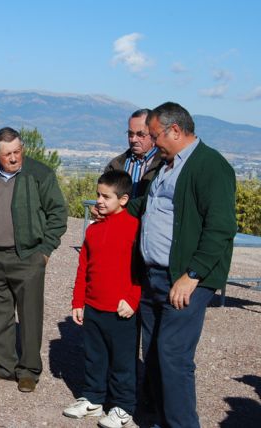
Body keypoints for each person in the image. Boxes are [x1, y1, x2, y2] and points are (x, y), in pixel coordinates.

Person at [128, 102, 237, 427]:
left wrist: (192, 275)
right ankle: (159, 419)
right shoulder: (167, 164)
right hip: (155, 276)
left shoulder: (209, 166)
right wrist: (114, 207)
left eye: (154, 134)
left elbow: (220, 227)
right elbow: (148, 204)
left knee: (173, 356)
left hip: (185, 278)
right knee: (157, 356)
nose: (151, 141)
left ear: (175, 131)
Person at [0, 127, 68, 393]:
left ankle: (28, 371)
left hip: (28, 257)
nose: (14, 158)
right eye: (7, 154)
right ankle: (3, 366)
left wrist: (45, 251)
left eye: (17, 151)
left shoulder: (40, 175)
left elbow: (58, 214)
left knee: (30, 315)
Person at [63, 170, 141, 428]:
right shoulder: (94, 231)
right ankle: (94, 399)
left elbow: (142, 269)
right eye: (98, 194)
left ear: (124, 199)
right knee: (94, 357)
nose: (99, 200)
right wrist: (78, 301)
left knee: (122, 362)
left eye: (106, 196)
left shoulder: (135, 229)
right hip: (94, 306)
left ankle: (122, 407)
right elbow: (83, 267)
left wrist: (132, 299)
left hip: (121, 311)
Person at [106, 109, 164, 197]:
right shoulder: (115, 165)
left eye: (140, 135)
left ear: (153, 134)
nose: (133, 140)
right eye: (130, 134)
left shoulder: (165, 165)